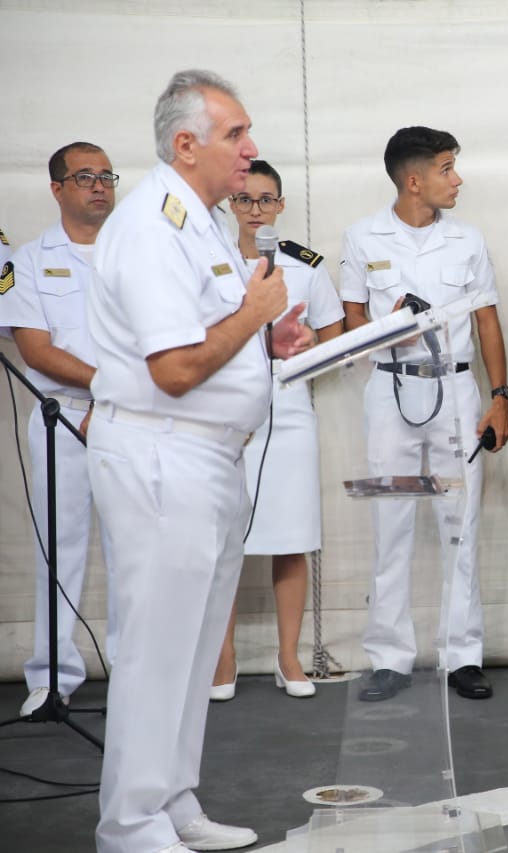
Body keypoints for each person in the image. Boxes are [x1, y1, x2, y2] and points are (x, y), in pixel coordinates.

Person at [86, 69, 313, 853]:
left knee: (190, 643)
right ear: (186, 145)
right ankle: (131, 824)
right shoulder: (152, 224)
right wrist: (255, 311)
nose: (251, 150)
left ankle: (173, 798)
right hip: (160, 453)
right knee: (157, 646)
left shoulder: (205, 222)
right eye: (235, 134)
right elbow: (174, 368)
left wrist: (267, 336)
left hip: (206, 457)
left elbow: (207, 335)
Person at [341, 126, 508, 703]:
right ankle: (389, 657)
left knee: (459, 526)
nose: (457, 178)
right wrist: (384, 322)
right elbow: (350, 331)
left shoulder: (467, 239)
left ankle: (462, 656)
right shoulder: (362, 237)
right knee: (391, 523)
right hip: (389, 394)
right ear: (414, 180)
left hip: (459, 396)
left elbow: (487, 319)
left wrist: (500, 397)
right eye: (446, 168)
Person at [210, 159, 345, 701]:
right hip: (222, 410)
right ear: (230, 205)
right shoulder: (211, 263)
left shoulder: (304, 266)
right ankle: (223, 657)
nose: (256, 210)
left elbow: (335, 338)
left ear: (281, 206)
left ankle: (288, 657)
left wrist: (309, 344)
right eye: (245, 199)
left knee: (291, 536)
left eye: (266, 200)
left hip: (288, 410)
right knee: (223, 538)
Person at [0, 142, 121, 719]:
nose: (98, 185)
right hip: (62, 413)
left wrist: (121, 396)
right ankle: (52, 678)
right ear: (57, 189)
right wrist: (105, 386)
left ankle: (135, 672)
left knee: (135, 549)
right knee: (60, 548)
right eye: (84, 177)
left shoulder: (138, 253)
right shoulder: (28, 260)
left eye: (105, 176)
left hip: (132, 417)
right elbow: (34, 348)